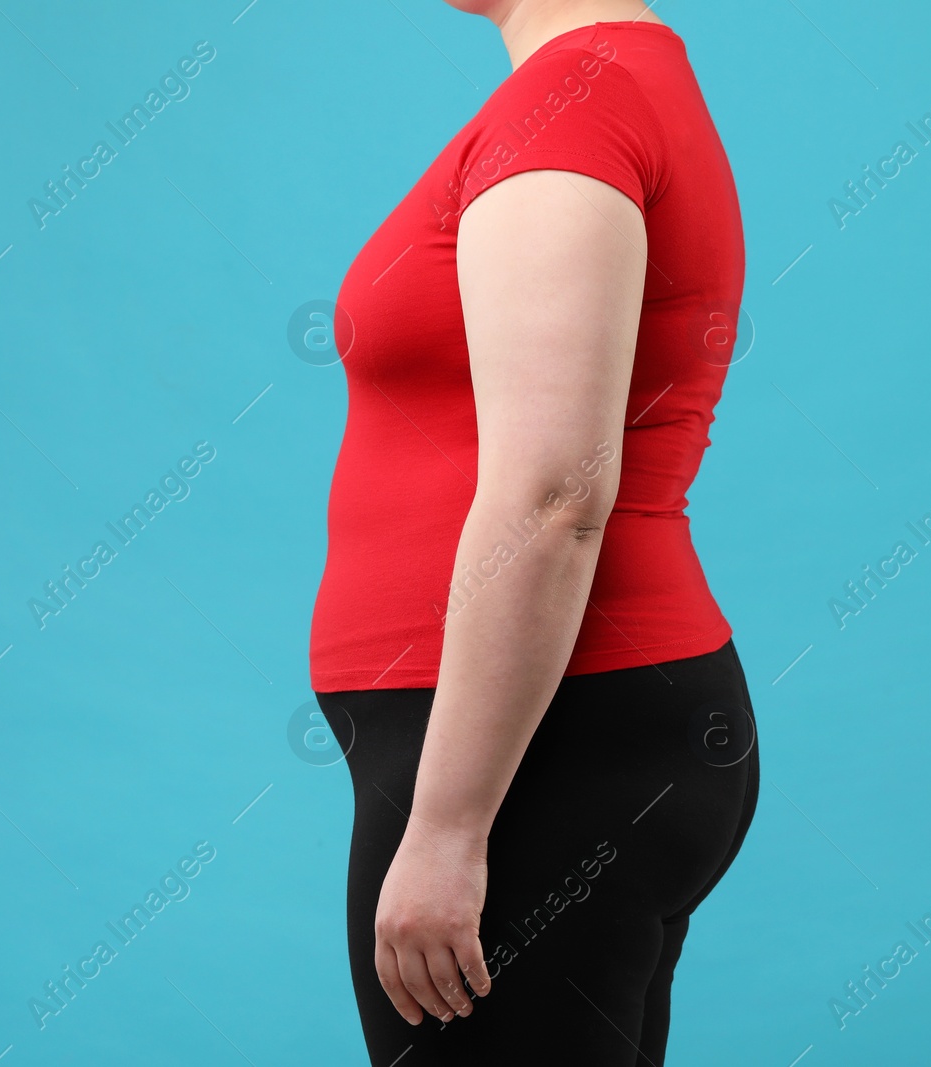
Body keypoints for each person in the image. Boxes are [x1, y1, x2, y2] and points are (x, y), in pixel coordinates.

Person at [309, 2, 758, 1062]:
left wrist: (451, 824)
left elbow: (556, 494)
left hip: (539, 753)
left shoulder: (577, 103)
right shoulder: (602, 88)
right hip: (561, 738)